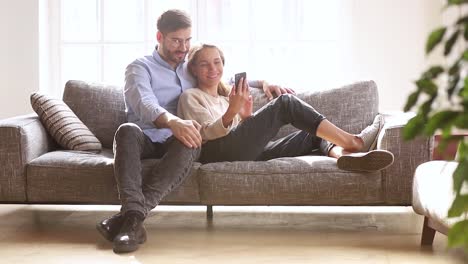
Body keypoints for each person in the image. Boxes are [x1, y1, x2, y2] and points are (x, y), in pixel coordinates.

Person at [96, 10, 296, 254]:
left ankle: (131, 219)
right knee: (126, 130)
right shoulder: (139, 68)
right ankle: (133, 218)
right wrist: (173, 122)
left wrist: (264, 82)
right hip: (145, 136)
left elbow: (219, 76)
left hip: (180, 140)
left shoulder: (188, 67)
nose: (183, 47)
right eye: (176, 40)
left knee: (192, 139)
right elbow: (145, 103)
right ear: (159, 36)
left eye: (187, 40)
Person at [177, 44, 395, 169]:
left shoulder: (228, 95)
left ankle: (345, 156)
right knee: (285, 103)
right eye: (204, 64)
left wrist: (245, 116)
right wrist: (232, 111)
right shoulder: (190, 97)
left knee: (312, 134)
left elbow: (240, 135)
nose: (212, 68)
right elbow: (204, 135)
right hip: (216, 153)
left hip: (243, 151)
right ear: (193, 69)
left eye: (217, 62)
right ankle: (353, 141)